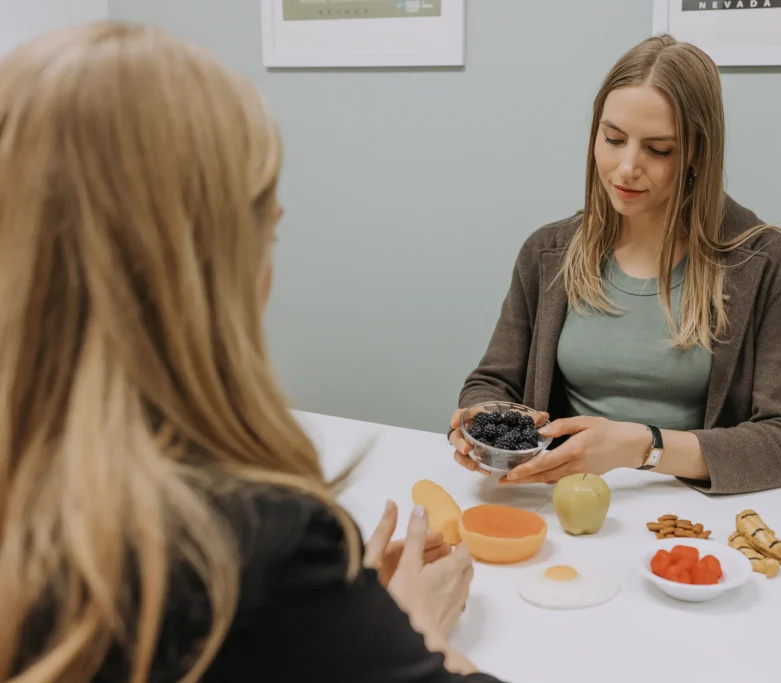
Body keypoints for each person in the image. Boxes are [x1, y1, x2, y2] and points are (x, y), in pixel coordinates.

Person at [0, 21, 502, 683]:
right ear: (205, 269)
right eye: (267, 235)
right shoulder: (252, 550)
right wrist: (414, 629)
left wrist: (341, 623)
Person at [449, 36, 781, 495]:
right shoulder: (548, 252)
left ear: (698, 152)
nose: (626, 167)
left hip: (693, 515)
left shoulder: (765, 263)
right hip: (564, 503)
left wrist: (642, 447)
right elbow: (492, 383)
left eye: (658, 149)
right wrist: (478, 423)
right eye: (613, 139)